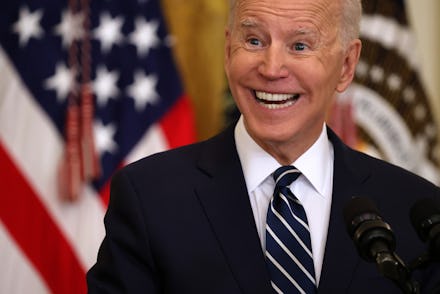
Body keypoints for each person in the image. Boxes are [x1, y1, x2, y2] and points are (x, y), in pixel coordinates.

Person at [87, 0, 440, 293]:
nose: (271, 69)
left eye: (300, 46)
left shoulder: (413, 211)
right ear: (228, 50)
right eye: (254, 41)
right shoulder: (149, 198)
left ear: (347, 65)